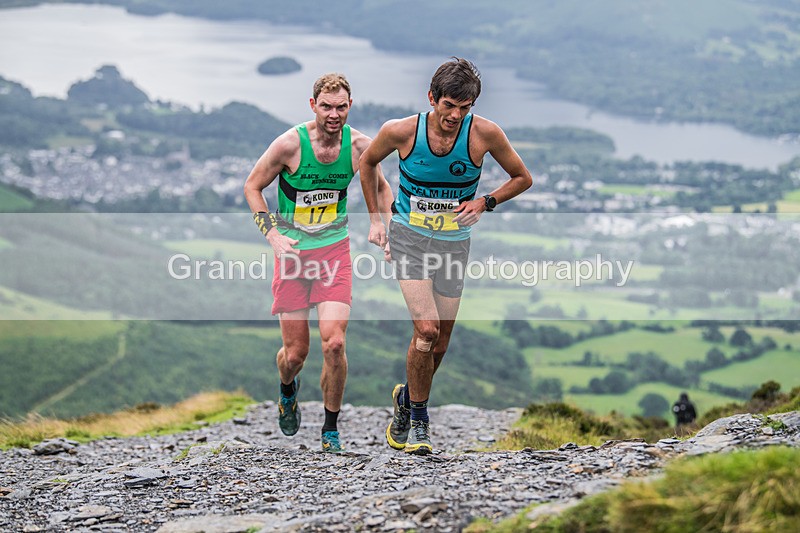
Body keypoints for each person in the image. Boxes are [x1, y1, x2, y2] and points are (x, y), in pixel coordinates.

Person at [359, 57, 533, 455]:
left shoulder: (484, 134)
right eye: (449, 105)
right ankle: (419, 420)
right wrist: (376, 221)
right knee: (427, 330)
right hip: (409, 238)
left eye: (464, 108)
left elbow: (522, 177)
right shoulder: (401, 131)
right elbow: (367, 163)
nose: (455, 115)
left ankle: (407, 398)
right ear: (432, 98)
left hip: (454, 243)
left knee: (441, 343)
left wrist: (485, 201)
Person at [244, 73, 392, 453]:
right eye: (326, 106)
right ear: (313, 106)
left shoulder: (360, 146)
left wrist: (381, 224)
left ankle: (330, 427)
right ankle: (287, 388)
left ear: (350, 106)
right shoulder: (290, 145)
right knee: (295, 355)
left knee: (335, 343)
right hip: (293, 255)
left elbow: (383, 187)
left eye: (341, 106)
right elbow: (253, 187)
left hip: (333, 252)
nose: (334, 114)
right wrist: (272, 234)